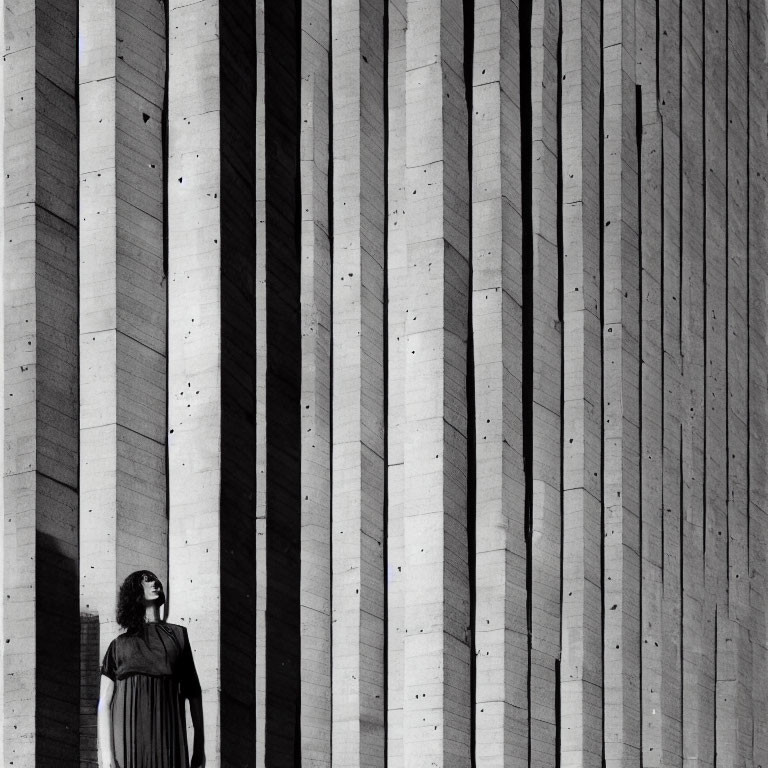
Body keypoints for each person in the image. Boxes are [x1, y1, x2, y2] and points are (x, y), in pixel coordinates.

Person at [97, 571, 206, 768]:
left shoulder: (178, 636)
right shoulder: (118, 645)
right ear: (136, 594)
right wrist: (107, 758)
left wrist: (200, 747)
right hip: (128, 744)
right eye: (146, 581)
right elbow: (104, 702)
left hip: (168, 740)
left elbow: (194, 693)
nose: (155, 582)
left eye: (155, 579)